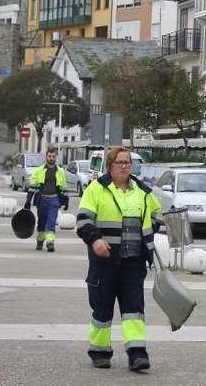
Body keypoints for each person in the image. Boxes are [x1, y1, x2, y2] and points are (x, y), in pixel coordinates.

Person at [76, 147, 161, 372]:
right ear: (110, 166)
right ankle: (100, 352)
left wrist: (152, 234)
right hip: (104, 263)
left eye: (128, 162)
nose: (124, 166)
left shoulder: (143, 192)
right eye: (120, 162)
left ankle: (137, 354)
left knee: (134, 309)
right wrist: (95, 241)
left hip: (134, 262)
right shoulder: (96, 189)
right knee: (102, 310)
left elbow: (156, 217)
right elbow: (83, 221)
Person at [24, 147, 69, 252]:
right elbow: (32, 187)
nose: (51, 158)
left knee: (51, 222)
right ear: (46, 156)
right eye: (49, 156)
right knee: (42, 222)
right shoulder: (39, 171)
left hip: (54, 200)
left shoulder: (60, 171)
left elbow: (63, 187)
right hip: (42, 200)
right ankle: (40, 241)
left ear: (56, 157)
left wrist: (66, 201)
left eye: (53, 156)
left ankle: (50, 242)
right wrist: (28, 201)